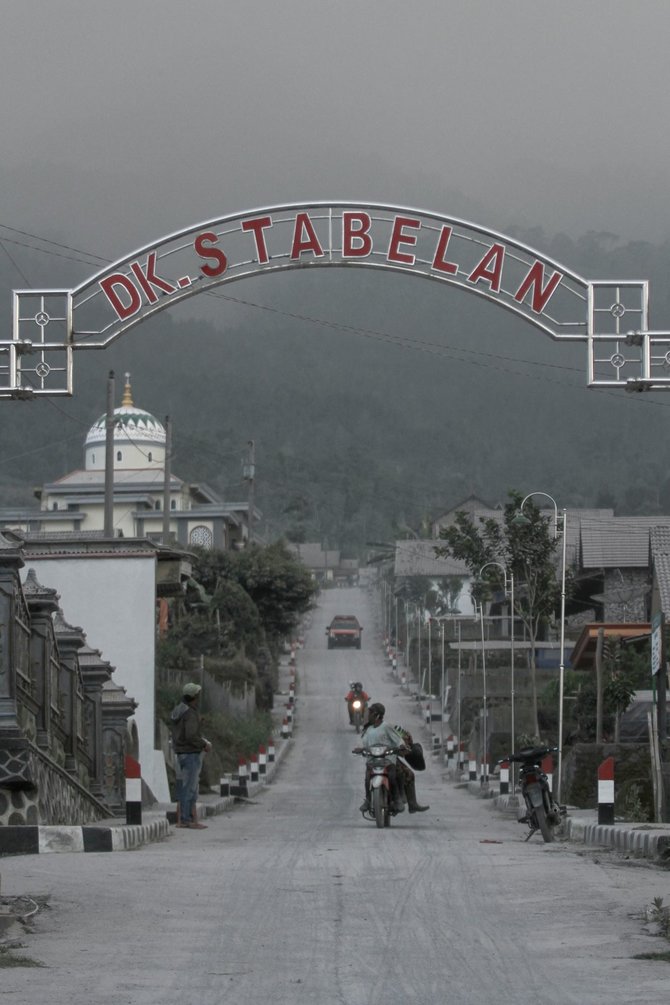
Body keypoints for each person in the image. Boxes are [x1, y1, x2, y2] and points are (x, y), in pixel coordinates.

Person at [171, 682, 212, 830]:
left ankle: (185, 819)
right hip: (190, 754)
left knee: (184, 787)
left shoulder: (178, 710)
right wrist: (204, 744)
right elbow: (191, 735)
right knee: (190, 788)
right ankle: (187, 820)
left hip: (180, 753)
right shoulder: (190, 713)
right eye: (197, 695)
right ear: (194, 697)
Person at [355, 702, 406, 813]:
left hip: (387, 759)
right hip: (372, 760)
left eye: (371, 713)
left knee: (392, 776)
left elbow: (398, 739)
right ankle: (368, 799)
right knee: (368, 777)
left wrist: (401, 746)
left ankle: (397, 799)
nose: (368, 715)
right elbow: (364, 744)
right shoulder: (368, 730)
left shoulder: (386, 727)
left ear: (377, 715)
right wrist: (360, 750)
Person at [392, 723, 429, 813]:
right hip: (378, 759)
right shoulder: (372, 729)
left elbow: (406, 736)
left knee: (409, 774)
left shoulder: (394, 729)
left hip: (390, 758)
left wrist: (404, 747)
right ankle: (368, 799)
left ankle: (411, 803)